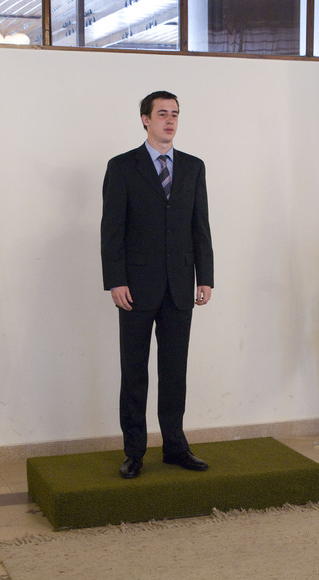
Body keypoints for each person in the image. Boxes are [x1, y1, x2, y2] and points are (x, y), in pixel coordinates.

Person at [101, 91, 214, 479]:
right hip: (135, 288)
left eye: (175, 114)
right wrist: (115, 280)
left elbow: (200, 226)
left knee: (174, 372)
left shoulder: (193, 167)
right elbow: (112, 230)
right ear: (145, 120)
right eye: (162, 113)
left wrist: (205, 277)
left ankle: (175, 447)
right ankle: (134, 452)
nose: (170, 120)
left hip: (180, 286)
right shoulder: (122, 167)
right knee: (134, 373)